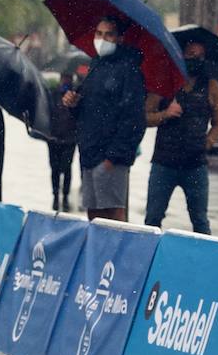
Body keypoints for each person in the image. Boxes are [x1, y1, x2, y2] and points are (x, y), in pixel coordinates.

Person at [63, 16, 147, 221]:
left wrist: (113, 158)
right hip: (89, 154)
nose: (102, 39)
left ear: (119, 38)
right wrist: (74, 103)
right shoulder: (96, 65)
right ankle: (98, 253)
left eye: (108, 34)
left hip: (110, 157)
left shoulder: (129, 69)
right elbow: (91, 109)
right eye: (99, 33)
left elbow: (134, 119)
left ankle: (116, 254)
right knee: (94, 214)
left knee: (113, 214)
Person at [144, 41, 218, 235]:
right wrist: (166, 114)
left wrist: (208, 142)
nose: (193, 59)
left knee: (200, 221)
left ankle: (203, 263)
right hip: (164, 163)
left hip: (195, 164)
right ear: (180, 55)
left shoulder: (211, 86)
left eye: (198, 56)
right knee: (153, 219)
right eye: (189, 54)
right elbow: (146, 117)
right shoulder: (164, 82)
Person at [47, 62, 85, 211]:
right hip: (53, 138)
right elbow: (47, 113)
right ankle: (56, 197)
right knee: (54, 169)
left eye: (68, 78)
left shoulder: (76, 95)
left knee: (67, 168)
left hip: (70, 139)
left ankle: (65, 197)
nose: (65, 81)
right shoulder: (52, 94)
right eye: (64, 78)